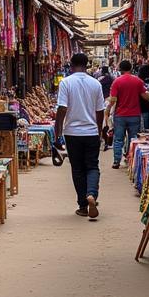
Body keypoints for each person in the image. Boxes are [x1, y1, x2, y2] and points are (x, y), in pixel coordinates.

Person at [54, 52, 105, 220]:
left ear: (71, 65)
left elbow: (62, 108)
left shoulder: (66, 83)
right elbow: (100, 111)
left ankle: (83, 205)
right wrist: (98, 131)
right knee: (92, 166)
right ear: (87, 65)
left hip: (72, 133)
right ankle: (91, 194)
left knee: (77, 168)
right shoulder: (95, 84)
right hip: (91, 132)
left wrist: (58, 132)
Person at [107, 59, 149, 168]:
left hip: (120, 115)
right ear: (131, 68)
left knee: (118, 139)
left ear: (120, 69)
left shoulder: (116, 82)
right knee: (133, 139)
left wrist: (107, 110)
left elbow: (113, 100)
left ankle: (116, 161)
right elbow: (146, 96)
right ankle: (131, 161)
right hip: (134, 115)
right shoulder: (137, 81)